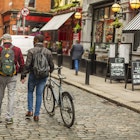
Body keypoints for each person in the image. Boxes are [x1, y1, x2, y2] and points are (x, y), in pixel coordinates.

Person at [21, 34, 54, 122]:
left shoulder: (31, 51)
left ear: (35, 40)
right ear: (43, 41)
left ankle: (30, 110)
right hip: (43, 76)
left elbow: (27, 65)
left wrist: (23, 75)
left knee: (30, 92)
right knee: (39, 94)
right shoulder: (48, 52)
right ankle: (36, 115)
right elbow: (52, 65)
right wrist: (49, 71)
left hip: (33, 74)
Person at [0, 33, 25, 124]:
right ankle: (9, 117)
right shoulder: (17, 49)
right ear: (11, 40)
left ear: (3, 40)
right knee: (11, 96)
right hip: (12, 76)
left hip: (1, 76)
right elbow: (22, 63)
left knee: (0, 96)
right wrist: (23, 76)